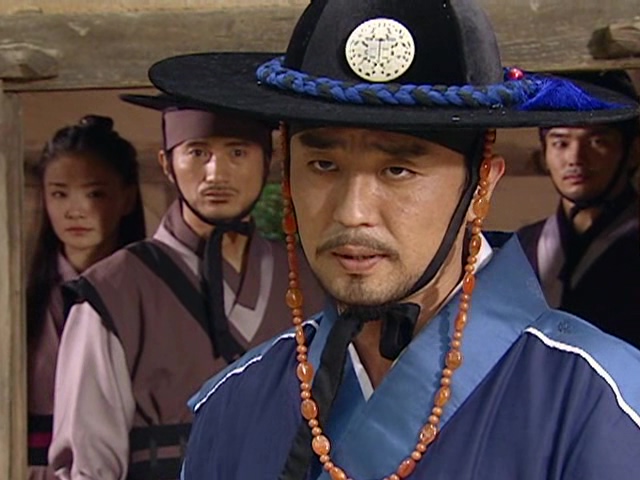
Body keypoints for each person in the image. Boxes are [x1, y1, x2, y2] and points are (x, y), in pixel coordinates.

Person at [151, 0, 640, 478]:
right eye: (323, 164)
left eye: (397, 170)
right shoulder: (234, 405)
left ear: (481, 187)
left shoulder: (598, 400)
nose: (352, 212)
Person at [48, 96, 326, 480]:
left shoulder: (309, 278)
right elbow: (88, 468)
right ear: (166, 163)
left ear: (270, 159)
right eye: (197, 152)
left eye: (238, 153)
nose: (216, 172)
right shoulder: (113, 292)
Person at [27, 115, 146, 480]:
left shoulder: (150, 292)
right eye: (59, 193)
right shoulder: (21, 297)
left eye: (95, 194)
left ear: (127, 197)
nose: (75, 210)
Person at [517, 70, 640, 348]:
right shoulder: (523, 247)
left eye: (597, 141)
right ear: (544, 152)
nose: (575, 158)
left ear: (633, 151)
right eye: (560, 142)